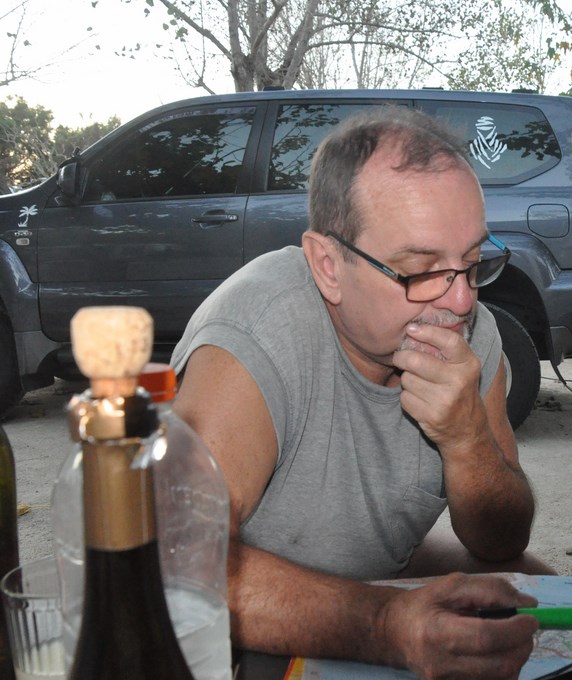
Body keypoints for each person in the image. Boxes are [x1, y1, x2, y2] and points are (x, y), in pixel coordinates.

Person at [171, 107, 547, 678]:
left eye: (471, 263)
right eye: (420, 269)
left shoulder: (471, 330)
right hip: (245, 625)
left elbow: (502, 537)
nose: (462, 302)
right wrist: (386, 624)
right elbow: (180, 564)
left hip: (375, 581)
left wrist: (468, 439)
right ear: (328, 265)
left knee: (524, 582)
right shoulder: (256, 333)